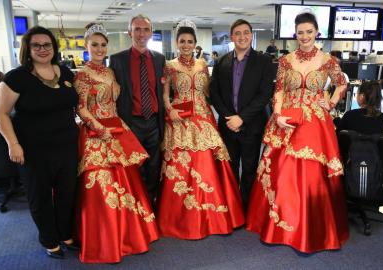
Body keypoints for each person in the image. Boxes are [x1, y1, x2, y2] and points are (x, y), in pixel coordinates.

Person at [246, 12, 349, 253]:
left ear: (317, 33)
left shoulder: (328, 60)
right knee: (282, 172)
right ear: (295, 34)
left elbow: (341, 82)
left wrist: (331, 102)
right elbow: (279, 90)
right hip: (287, 119)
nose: (304, 36)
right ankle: (277, 226)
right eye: (300, 32)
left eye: (309, 32)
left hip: (315, 121)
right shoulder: (285, 61)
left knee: (311, 173)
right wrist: (278, 115)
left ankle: (312, 230)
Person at [74, 23, 158, 263]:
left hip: (116, 129)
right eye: (95, 45)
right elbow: (81, 109)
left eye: (102, 45)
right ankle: (104, 237)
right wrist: (99, 128)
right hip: (96, 134)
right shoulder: (81, 75)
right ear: (86, 46)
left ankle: (129, 233)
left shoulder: (110, 72)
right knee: (101, 184)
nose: (99, 49)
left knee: (127, 179)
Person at [0, 26, 79, 258]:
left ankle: (65, 234)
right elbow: (2, 114)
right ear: (28, 49)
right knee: (39, 195)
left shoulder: (66, 73)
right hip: (33, 149)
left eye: (47, 45)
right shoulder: (16, 78)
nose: (43, 49)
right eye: (36, 45)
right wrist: (13, 144)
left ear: (54, 47)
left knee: (67, 193)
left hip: (68, 146)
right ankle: (49, 240)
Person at [157, 20, 244, 239]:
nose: (186, 45)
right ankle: (181, 217)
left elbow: (208, 92)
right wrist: (170, 110)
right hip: (179, 118)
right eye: (182, 41)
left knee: (208, 161)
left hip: (203, 116)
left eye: (190, 41)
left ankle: (213, 215)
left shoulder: (202, 65)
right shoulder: (169, 65)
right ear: (177, 43)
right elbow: (165, 93)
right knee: (182, 163)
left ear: (195, 44)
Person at [209, 19, 274, 207]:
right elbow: (214, 93)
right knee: (229, 168)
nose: (242, 36)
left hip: (251, 124)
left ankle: (246, 207)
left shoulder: (263, 61)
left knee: (249, 168)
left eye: (246, 32)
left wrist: (242, 118)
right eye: (237, 33)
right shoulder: (222, 62)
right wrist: (230, 117)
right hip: (228, 124)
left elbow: (264, 94)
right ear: (231, 36)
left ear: (251, 35)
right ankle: (231, 207)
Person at [109, 14, 166, 205]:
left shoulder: (159, 59)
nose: (141, 34)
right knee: (133, 166)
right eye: (137, 29)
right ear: (129, 32)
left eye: (146, 29)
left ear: (151, 33)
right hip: (130, 121)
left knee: (153, 165)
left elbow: (163, 90)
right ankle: (135, 206)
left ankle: (150, 204)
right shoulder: (117, 60)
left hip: (154, 121)